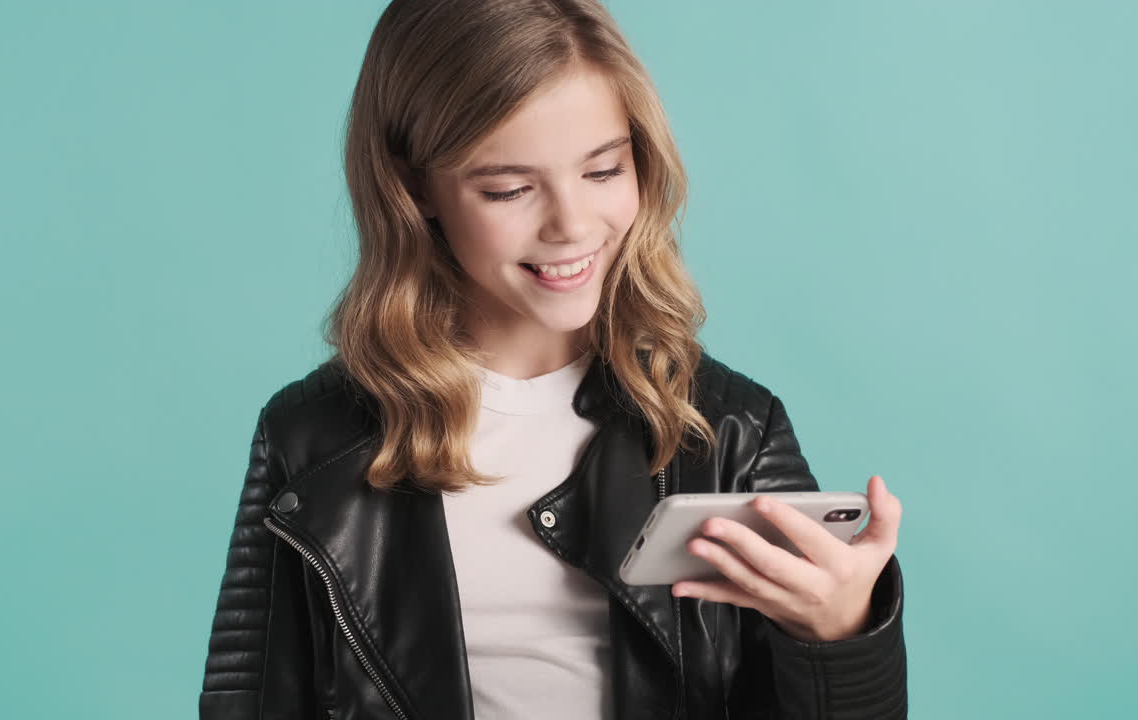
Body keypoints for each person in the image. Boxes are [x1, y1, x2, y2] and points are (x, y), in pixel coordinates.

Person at [198, 1, 908, 718]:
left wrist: (841, 637)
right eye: (509, 188)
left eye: (603, 171)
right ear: (413, 189)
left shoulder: (729, 431)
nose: (572, 225)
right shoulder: (310, 438)